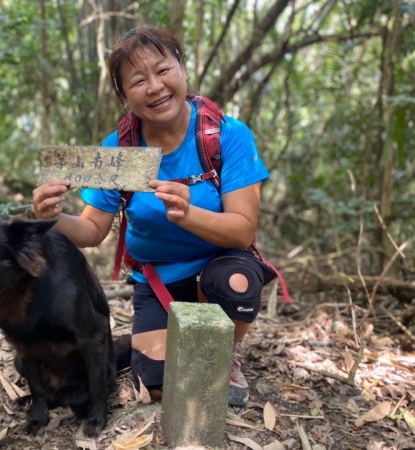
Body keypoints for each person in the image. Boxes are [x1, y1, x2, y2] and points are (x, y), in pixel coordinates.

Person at [32, 25, 276, 407]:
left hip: (219, 267)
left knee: (237, 282)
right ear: (124, 95)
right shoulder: (120, 149)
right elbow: (93, 229)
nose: (155, 87)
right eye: (138, 80)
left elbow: (242, 232)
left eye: (163, 70)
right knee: (159, 385)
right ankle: (169, 337)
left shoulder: (226, 135)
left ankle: (227, 351)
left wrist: (188, 214)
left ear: (181, 68)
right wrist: (52, 217)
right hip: (157, 277)